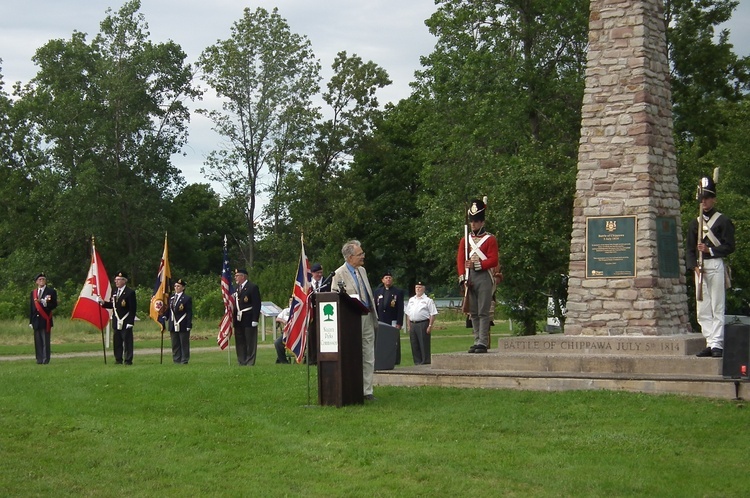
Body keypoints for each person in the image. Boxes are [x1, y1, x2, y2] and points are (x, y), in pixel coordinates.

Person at [686, 175, 735, 358]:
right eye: (702, 199)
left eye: (707, 198)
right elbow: (690, 249)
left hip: (715, 264)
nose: (704, 202)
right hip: (700, 267)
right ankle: (709, 340)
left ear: (713, 199)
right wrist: (694, 267)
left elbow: (729, 246)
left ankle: (717, 344)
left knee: (717, 306)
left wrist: (710, 250)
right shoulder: (695, 223)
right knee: (702, 308)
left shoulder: (722, 221)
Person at [331, 240, 378, 400]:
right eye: (360, 254)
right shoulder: (338, 274)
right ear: (350, 257)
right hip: (351, 320)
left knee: (368, 353)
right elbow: (335, 297)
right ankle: (352, 387)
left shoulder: (362, 271)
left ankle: (367, 391)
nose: (363, 256)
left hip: (367, 316)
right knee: (352, 354)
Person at [457, 198, 499, 353]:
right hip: (470, 277)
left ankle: (483, 341)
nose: (473, 224)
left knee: (483, 311)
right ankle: (476, 340)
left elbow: (494, 260)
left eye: (476, 221)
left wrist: (477, 264)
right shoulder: (465, 239)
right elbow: (460, 260)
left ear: (482, 222)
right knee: (473, 312)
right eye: (472, 221)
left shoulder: (490, 239)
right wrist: (462, 277)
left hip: (484, 276)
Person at [100, 271, 137, 365]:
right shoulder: (115, 291)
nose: (116, 281)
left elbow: (132, 309)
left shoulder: (130, 292)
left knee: (127, 342)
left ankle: (128, 360)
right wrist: (103, 303)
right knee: (117, 342)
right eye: (116, 280)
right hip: (116, 320)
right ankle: (118, 359)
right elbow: (113, 305)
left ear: (124, 281)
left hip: (125, 320)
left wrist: (130, 322)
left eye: (119, 280)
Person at [374, 271, 405, 364]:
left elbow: (400, 308)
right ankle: (382, 359)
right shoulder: (378, 292)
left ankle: (395, 360)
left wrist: (399, 323)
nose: (388, 279)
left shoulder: (398, 292)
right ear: (383, 280)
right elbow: (375, 307)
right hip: (381, 320)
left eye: (390, 278)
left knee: (393, 341)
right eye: (386, 278)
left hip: (392, 320)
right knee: (381, 340)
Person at [233, 268, 262, 366]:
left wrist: (255, 319)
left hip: (248, 317)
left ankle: (250, 361)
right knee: (240, 340)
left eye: (237, 276)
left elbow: (256, 304)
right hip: (238, 318)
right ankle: (242, 360)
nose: (235, 277)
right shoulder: (236, 288)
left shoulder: (252, 287)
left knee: (250, 341)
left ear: (243, 276)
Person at [405, 281, 438, 365]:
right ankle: (417, 362)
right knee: (414, 344)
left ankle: (425, 362)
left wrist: (430, 325)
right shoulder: (411, 300)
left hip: (423, 323)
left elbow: (433, 314)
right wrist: (408, 325)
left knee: (423, 344)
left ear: (423, 289)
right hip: (413, 323)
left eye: (420, 287)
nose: (418, 289)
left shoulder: (428, 300)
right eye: (416, 287)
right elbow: (408, 313)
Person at [29, 272, 58, 364]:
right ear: (36, 282)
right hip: (36, 320)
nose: (41, 281)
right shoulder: (33, 293)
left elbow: (54, 305)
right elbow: (32, 308)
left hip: (45, 319)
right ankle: (39, 359)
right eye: (40, 279)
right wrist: (31, 321)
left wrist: (45, 304)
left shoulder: (51, 292)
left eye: (43, 279)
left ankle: (45, 360)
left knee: (45, 341)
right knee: (38, 341)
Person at [307, 262, 331, 365]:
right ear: (312, 273)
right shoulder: (308, 283)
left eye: (321, 272)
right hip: (312, 314)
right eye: (317, 273)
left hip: (325, 313)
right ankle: (312, 358)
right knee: (312, 336)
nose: (319, 275)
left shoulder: (328, 282)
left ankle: (325, 357)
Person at [169, 278, 193, 364]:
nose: (176, 288)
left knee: (184, 343)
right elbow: (169, 310)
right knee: (175, 343)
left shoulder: (186, 298)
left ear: (183, 288)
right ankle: (176, 359)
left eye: (178, 286)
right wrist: (164, 316)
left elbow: (189, 312)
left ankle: (184, 359)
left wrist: (189, 324)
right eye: (175, 286)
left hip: (182, 323)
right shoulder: (171, 297)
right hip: (173, 323)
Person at [274, 298, 293, 364]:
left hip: (296, 334)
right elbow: (277, 318)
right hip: (286, 333)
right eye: (290, 300)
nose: (291, 302)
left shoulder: (299, 310)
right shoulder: (286, 311)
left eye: (293, 300)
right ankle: (283, 361)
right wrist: (283, 321)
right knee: (277, 342)